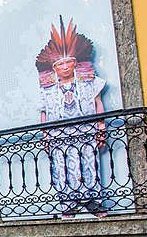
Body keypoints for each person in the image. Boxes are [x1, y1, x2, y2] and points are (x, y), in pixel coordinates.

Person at [34, 17, 109, 217]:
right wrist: (45, 135)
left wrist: (101, 127)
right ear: (54, 68)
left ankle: (93, 201)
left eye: (69, 62)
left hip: (85, 129)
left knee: (89, 161)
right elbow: (44, 111)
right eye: (61, 64)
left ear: (76, 64)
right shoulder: (48, 89)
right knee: (63, 166)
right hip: (59, 132)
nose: (65, 67)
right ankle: (69, 203)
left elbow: (97, 102)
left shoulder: (88, 83)